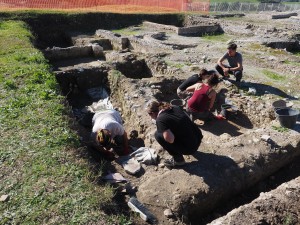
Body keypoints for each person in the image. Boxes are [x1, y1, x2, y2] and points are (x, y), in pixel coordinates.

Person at [147, 101, 203, 168]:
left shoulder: (160, 120)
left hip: (190, 149)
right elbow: (188, 119)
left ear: (152, 113)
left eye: (149, 114)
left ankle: (179, 161)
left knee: (158, 135)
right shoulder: (174, 107)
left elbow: (170, 140)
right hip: (197, 138)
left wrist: (162, 128)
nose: (150, 117)